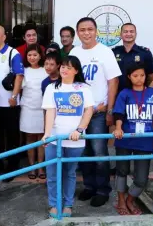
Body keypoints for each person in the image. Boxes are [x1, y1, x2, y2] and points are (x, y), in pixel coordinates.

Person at [70, 17, 121, 207]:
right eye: (82, 30)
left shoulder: (104, 52)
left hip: (99, 111)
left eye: (90, 29)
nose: (86, 33)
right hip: (78, 113)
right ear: (77, 32)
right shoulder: (75, 52)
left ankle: (102, 189)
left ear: (96, 31)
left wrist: (109, 109)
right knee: (83, 152)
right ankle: (89, 186)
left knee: (99, 152)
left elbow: (113, 81)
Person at [42, 55, 94, 218]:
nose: (64, 69)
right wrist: (47, 134)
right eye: (63, 66)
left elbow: (88, 111)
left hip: (75, 140)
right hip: (55, 139)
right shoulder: (52, 88)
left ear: (76, 70)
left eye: (68, 67)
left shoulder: (84, 88)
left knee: (69, 173)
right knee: (52, 173)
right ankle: (54, 204)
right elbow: (50, 111)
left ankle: (68, 204)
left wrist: (79, 130)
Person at [112, 63, 153, 216]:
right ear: (129, 77)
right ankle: (121, 200)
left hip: (145, 140)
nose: (139, 79)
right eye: (135, 76)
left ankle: (130, 199)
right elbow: (119, 114)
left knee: (141, 178)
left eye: (142, 75)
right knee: (122, 170)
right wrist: (118, 128)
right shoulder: (124, 93)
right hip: (125, 138)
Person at [0, 25, 24, 179]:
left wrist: (14, 97)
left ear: (4, 37)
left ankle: (13, 167)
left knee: (12, 136)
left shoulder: (12, 53)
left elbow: (19, 76)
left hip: (9, 104)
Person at [20, 44, 48, 180]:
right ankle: (31, 166)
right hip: (27, 108)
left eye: (35, 55)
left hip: (43, 109)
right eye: (29, 55)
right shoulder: (23, 71)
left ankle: (41, 167)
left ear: (40, 56)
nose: (32, 57)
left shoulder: (45, 70)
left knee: (42, 138)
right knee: (30, 138)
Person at [112, 23, 153, 92]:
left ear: (136, 34)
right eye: (125, 32)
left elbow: (150, 76)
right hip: (118, 94)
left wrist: (141, 87)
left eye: (131, 31)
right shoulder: (113, 52)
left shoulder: (145, 53)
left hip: (137, 94)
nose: (128, 34)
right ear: (120, 35)